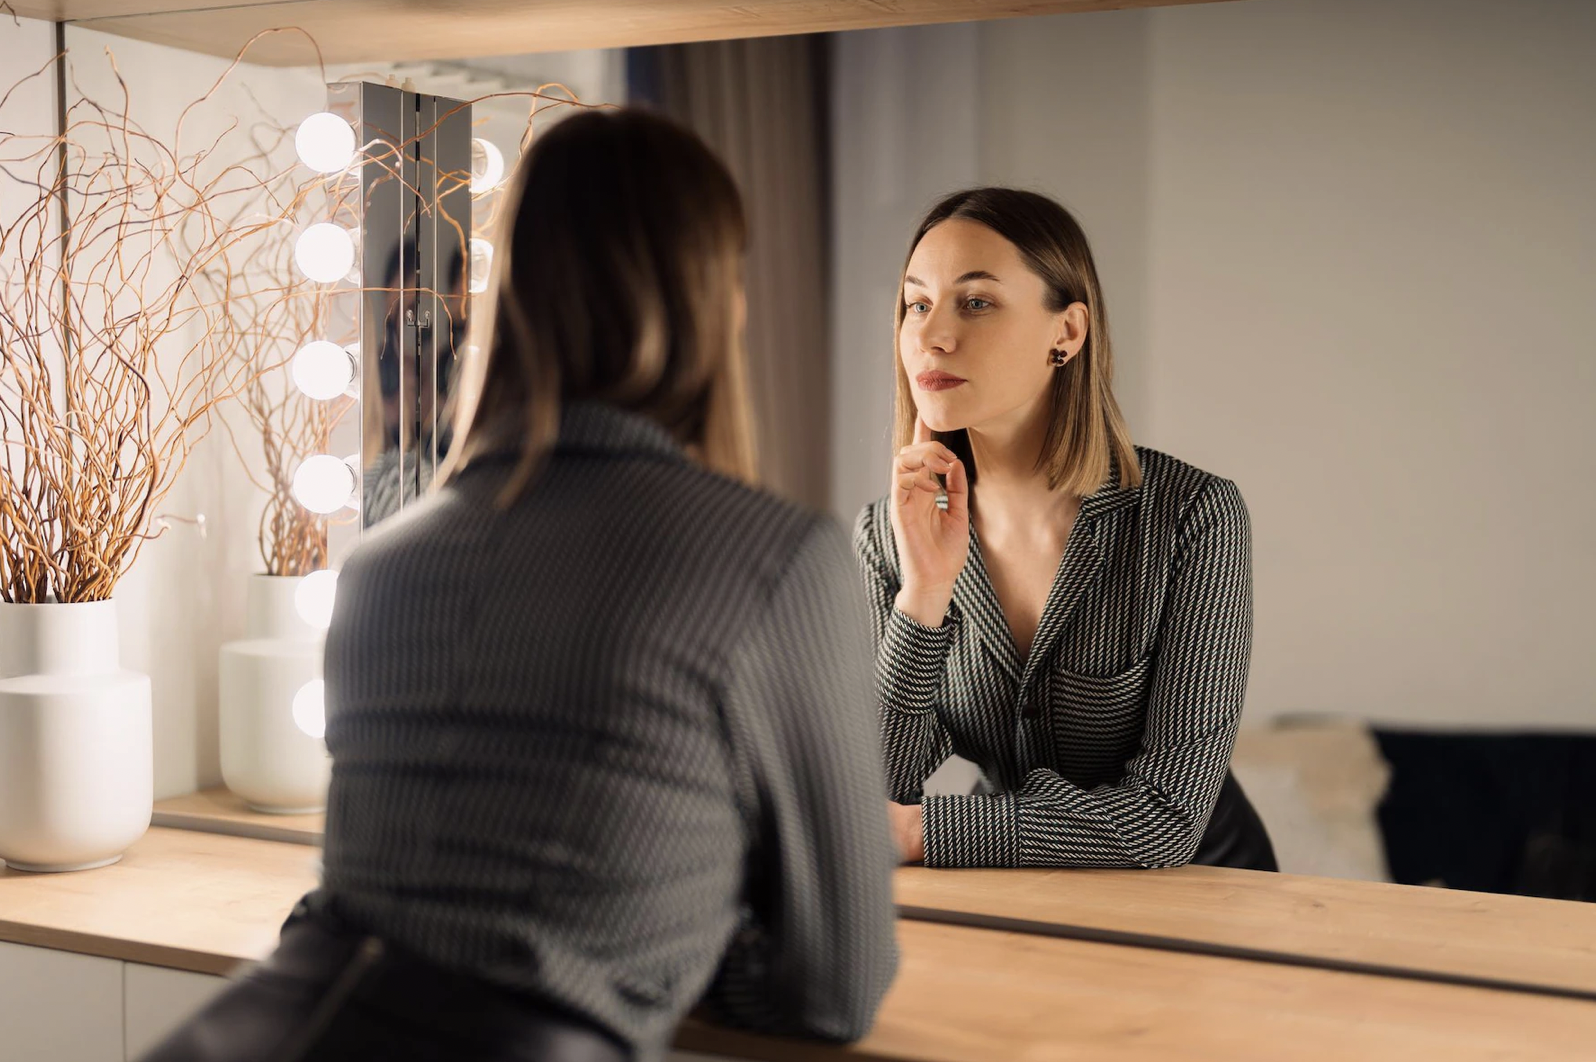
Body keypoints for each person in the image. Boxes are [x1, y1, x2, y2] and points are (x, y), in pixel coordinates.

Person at [144, 109, 898, 1062]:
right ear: (712, 300)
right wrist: (658, 944)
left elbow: (371, 904)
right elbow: (834, 986)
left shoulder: (383, 562)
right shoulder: (774, 559)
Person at [857, 187, 1277, 872]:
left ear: (1067, 333)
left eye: (977, 301)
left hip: (1205, 893)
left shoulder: (1193, 518)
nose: (932, 334)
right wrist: (924, 595)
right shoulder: (887, 535)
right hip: (1021, 895)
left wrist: (921, 833)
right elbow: (869, 794)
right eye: (916, 303)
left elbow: (1165, 820)